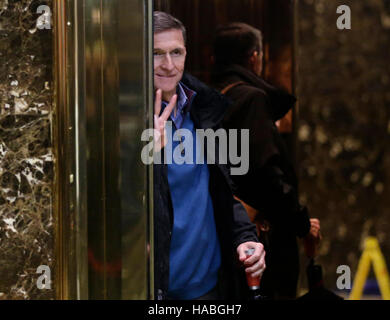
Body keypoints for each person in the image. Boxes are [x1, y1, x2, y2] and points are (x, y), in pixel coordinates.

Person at [152, 12, 266, 300]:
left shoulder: (205, 109)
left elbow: (220, 191)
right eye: (156, 54)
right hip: (155, 289)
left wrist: (245, 237)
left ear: (186, 54)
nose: (168, 65)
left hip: (207, 289)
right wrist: (142, 158)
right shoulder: (121, 119)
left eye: (176, 52)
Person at [211, 22, 321, 299]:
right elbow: (268, 174)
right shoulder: (253, 101)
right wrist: (303, 223)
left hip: (222, 237)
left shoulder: (207, 100)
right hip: (261, 240)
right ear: (255, 58)